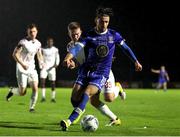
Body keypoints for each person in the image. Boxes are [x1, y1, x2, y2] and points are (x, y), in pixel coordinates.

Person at [61, 7, 142, 131]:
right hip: (87, 71)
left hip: (102, 72)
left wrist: (135, 61)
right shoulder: (89, 35)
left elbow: (125, 48)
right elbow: (77, 48)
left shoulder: (113, 35)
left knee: (94, 95)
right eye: (102, 21)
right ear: (96, 20)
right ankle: (115, 119)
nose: (104, 24)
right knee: (78, 98)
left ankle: (69, 121)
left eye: (106, 22)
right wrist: (68, 59)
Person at [66, 21, 125, 126]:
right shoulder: (70, 46)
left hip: (102, 72)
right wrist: (73, 64)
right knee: (92, 101)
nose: (75, 36)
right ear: (69, 34)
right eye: (72, 34)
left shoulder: (88, 40)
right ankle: (115, 119)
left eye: (77, 34)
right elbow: (80, 61)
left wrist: (107, 57)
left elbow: (104, 47)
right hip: (89, 74)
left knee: (109, 98)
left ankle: (117, 88)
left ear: (81, 32)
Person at [6, 23, 44, 112]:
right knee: (22, 92)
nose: (33, 33)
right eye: (31, 32)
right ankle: (12, 91)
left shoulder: (38, 43)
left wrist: (41, 62)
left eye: (34, 31)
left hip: (32, 68)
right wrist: (22, 64)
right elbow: (14, 54)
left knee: (35, 88)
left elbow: (39, 54)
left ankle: (32, 107)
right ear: (27, 32)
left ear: (37, 32)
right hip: (21, 68)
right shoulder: (23, 42)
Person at [40, 37, 60, 103]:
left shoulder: (55, 50)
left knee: (53, 83)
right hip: (44, 68)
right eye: (49, 42)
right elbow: (40, 57)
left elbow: (57, 58)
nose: (50, 43)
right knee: (42, 82)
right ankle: (43, 97)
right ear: (47, 42)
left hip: (52, 68)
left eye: (51, 42)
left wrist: (56, 65)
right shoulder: (43, 49)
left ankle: (53, 98)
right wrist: (41, 65)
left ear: (52, 42)